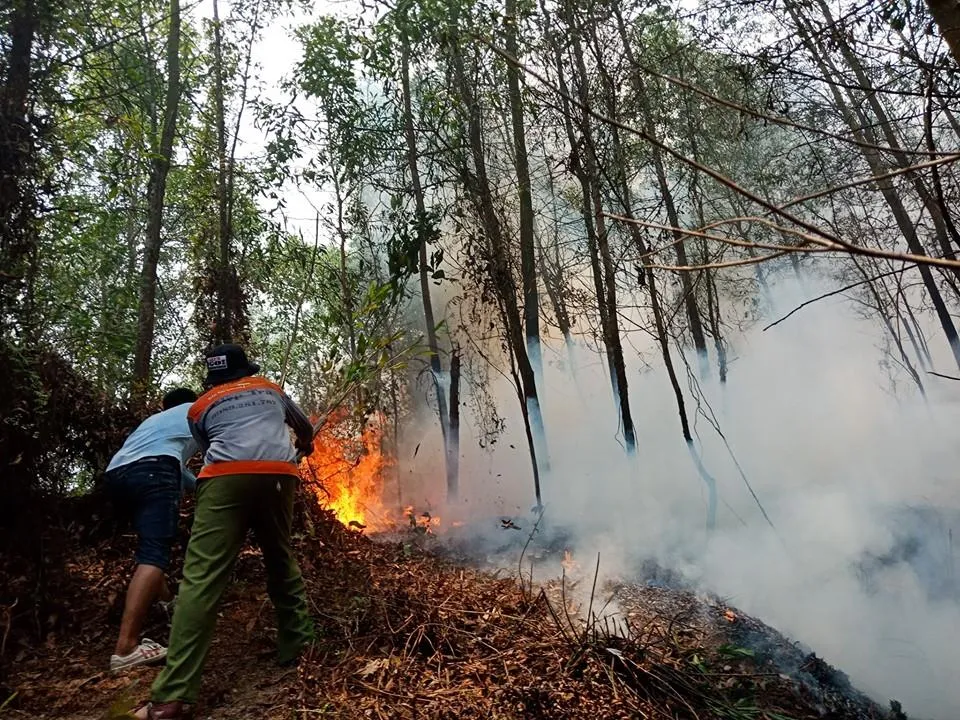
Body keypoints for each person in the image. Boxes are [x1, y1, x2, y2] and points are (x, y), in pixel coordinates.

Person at [135, 345, 315, 720]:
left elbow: (205, 448)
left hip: (223, 481)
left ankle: (172, 697)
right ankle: (300, 646)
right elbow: (304, 427)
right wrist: (306, 445)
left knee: (200, 579)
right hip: (279, 475)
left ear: (212, 377)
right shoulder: (271, 389)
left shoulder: (200, 406)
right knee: (280, 557)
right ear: (247, 370)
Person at [105, 387, 200, 672]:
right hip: (155, 471)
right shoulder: (197, 410)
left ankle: (169, 603)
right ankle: (126, 649)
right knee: (155, 555)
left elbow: (177, 466)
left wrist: (196, 486)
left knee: (148, 548)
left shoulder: (154, 422)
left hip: (116, 475)